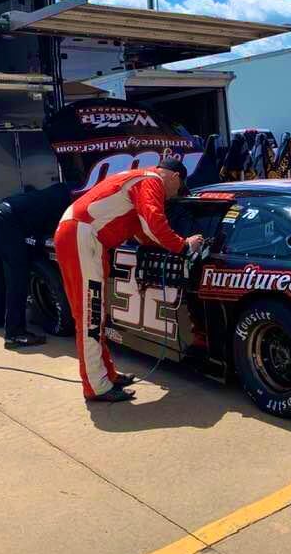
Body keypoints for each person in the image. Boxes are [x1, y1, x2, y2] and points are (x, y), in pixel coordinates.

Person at [54, 160, 204, 403]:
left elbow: (143, 232)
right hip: (81, 235)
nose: (176, 193)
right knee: (90, 315)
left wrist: (172, 245)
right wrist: (184, 245)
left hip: (85, 236)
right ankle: (96, 386)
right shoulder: (150, 180)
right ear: (175, 176)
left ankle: (106, 375)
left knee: (96, 313)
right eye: (179, 186)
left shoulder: (138, 179)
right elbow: (155, 223)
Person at [0, 182, 72, 349]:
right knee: (17, 276)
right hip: (7, 217)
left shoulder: (61, 189)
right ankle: (15, 334)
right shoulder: (68, 200)